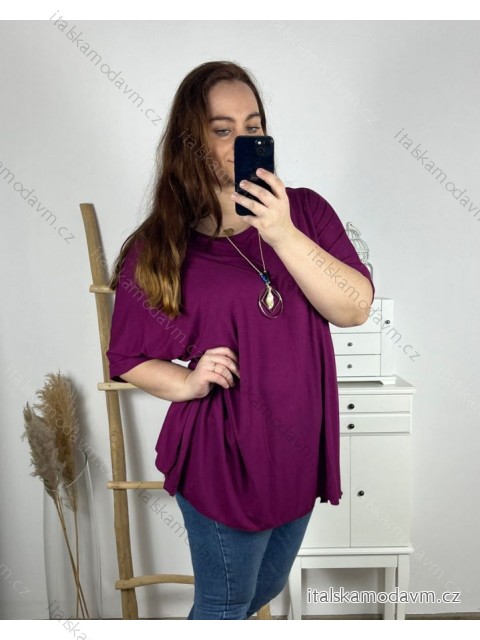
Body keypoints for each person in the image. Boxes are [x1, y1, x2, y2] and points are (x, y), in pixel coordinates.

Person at [106, 60, 375, 620]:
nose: (241, 142)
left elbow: (353, 307)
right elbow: (127, 356)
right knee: (225, 606)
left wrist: (279, 231)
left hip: (297, 449)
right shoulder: (164, 245)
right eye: (222, 129)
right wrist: (187, 381)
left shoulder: (305, 212)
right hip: (222, 456)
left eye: (252, 127)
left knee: (262, 590)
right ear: (192, 142)